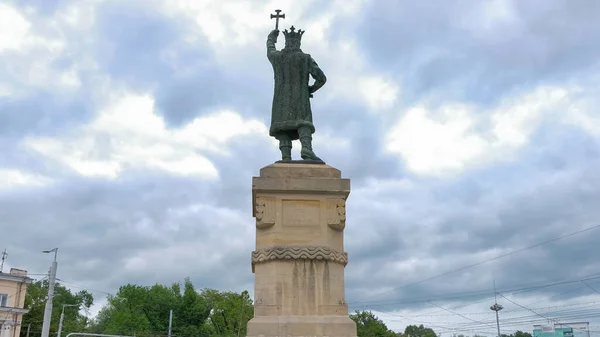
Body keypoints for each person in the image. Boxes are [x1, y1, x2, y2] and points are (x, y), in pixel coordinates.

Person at [266, 26, 327, 162]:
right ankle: (306, 149)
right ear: (298, 43)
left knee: (283, 127)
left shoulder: (278, 57)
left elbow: (270, 50)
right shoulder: (305, 58)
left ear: (286, 42)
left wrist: (271, 38)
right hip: (301, 99)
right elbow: (321, 78)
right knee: (303, 122)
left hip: (280, 101)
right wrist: (309, 90)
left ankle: (286, 157)